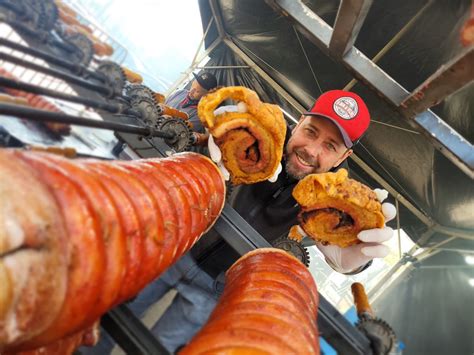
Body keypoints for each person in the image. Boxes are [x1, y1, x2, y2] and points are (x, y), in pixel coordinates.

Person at [122, 90, 396, 353]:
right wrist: (212, 139)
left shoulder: (337, 203)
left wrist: (355, 261)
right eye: (311, 132)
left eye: (330, 146)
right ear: (300, 121)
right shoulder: (253, 131)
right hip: (174, 249)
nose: (311, 150)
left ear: (343, 156)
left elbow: (352, 246)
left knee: (161, 346)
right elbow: (189, 157)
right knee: (110, 310)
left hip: (220, 287)